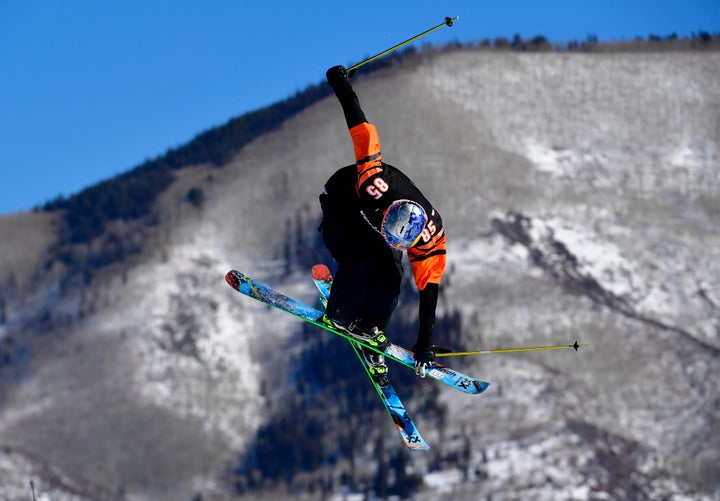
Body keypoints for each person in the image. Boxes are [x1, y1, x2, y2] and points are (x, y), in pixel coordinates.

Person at [319, 65, 447, 385]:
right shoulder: (374, 181)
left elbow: (429, 290)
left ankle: (370, 329)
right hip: (345, 205)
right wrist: (340, 83)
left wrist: (425, 344)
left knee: (392, 274)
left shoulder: (429, 236)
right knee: (363, 255)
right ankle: (341, 315)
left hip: (383, 230)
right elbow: (361, 126)